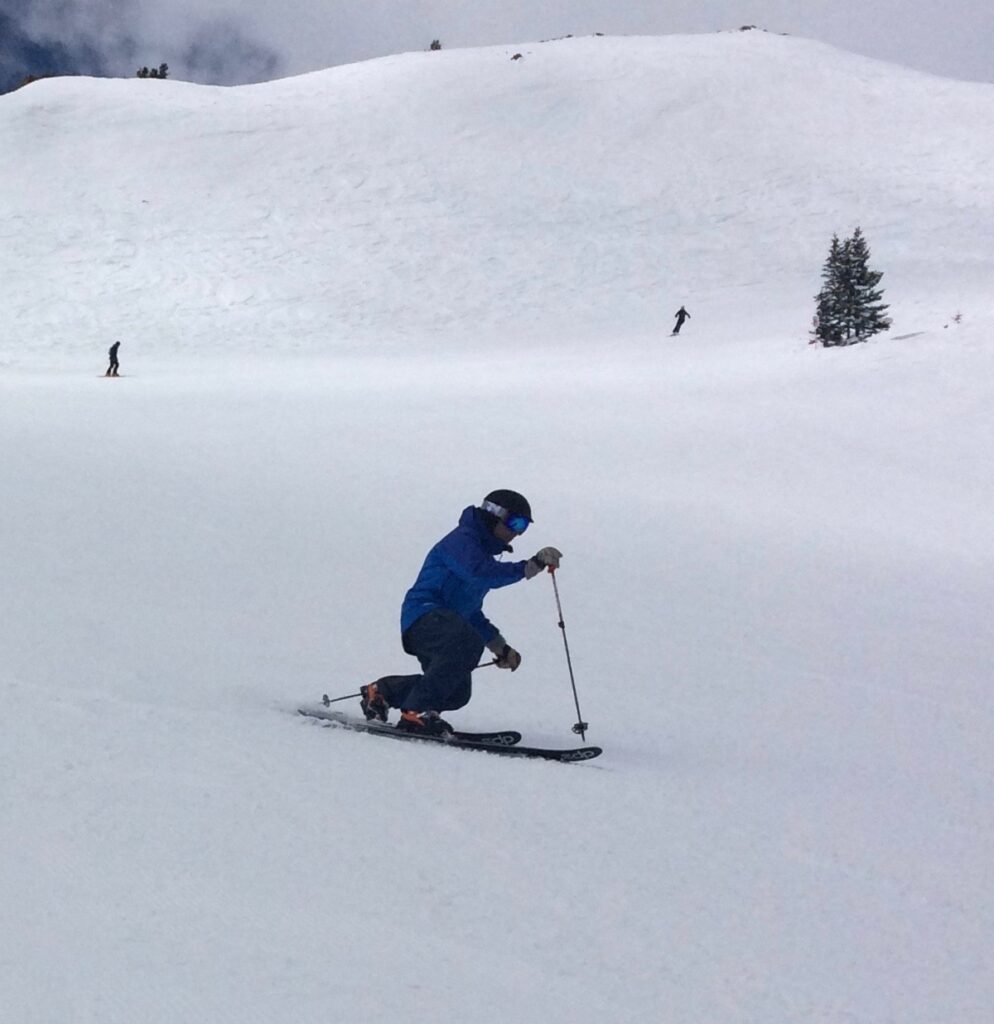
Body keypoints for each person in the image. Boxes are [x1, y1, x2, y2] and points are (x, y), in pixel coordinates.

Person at [360, 490, 563, 736]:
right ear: (493, 515)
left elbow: (471, 613)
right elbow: (479, 573)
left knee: (457, 693)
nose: (516, 533)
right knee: (465, 642)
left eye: (523, 527)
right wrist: (529, 567)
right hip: (423, 616)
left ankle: (381, 693)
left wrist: (501, 647)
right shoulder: (462, 541)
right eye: (515, 523)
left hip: (444, 624)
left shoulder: (482, 555)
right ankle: (416, 712)